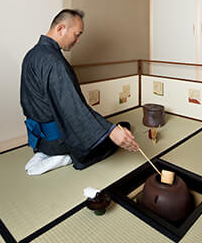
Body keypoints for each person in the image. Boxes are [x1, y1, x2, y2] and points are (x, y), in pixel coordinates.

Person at [20, 9, 139, 170]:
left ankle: (45, 152)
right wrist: (111, 131)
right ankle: (65, 156)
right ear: (61, 29)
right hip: (59, 141)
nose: (77, 41)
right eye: (77, 35)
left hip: (40, 140)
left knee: (114, 126)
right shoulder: (53, 61)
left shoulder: (32, 54)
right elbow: (72, 108)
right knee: (113, 135)